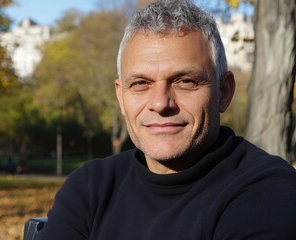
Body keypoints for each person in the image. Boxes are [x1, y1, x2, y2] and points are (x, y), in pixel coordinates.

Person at [37, 0, 296, 239]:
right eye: (140, 83)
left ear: (224, 92)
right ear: (121, 96)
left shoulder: (270, 193)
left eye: (185, 81)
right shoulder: (90, 188)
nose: (161, 103)